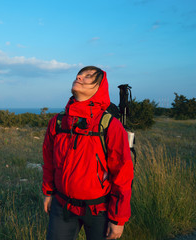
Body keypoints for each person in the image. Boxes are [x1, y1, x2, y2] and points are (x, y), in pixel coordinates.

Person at [42, 66, 134, 240]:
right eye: (79, 74)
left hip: (99, 210)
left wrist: (118, 219)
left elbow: (123, 174)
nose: (79, 77)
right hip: (62, 206)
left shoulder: (110, 125)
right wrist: (48, 193)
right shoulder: (58, 122)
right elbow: (49, 162)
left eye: (88, 76)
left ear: (99, 87)